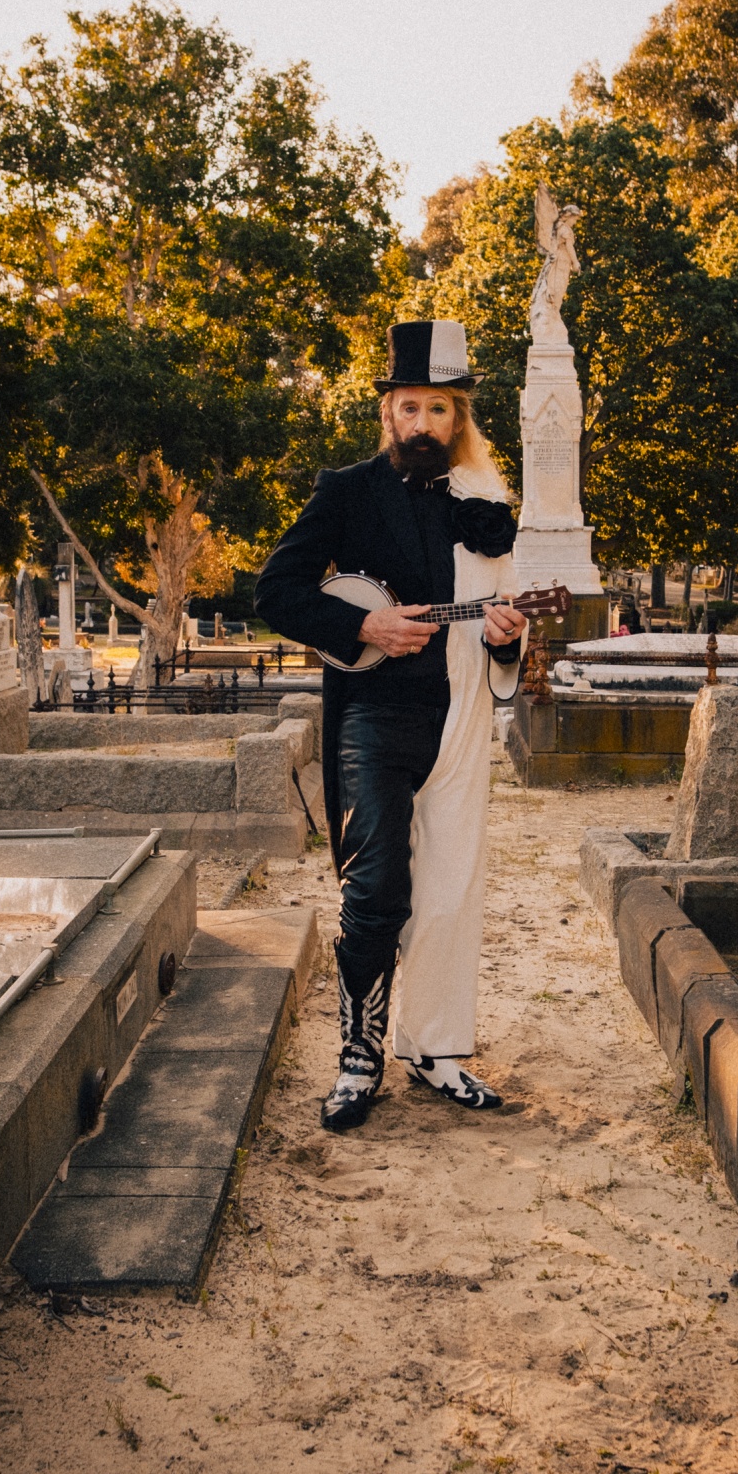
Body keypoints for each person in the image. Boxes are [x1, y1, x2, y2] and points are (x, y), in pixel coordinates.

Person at [255, 320, 527, 1131]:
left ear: (458, 421)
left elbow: (502, 613)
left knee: (450, 887)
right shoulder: (346, 491)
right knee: (374, 890)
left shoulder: (485, 504)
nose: (422, 424)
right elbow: (276, 591)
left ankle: (436, 1050)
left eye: (438, 410)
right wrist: (362, 629)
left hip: (460, 712)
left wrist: (511, 637)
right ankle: (360, 1053)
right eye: (408, 407)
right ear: (389, 415)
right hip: (372, 716)